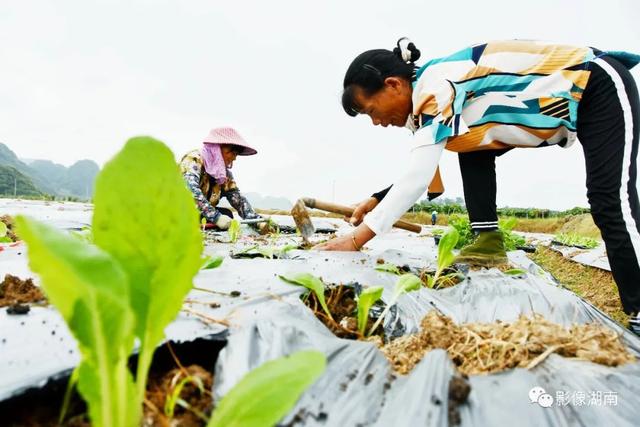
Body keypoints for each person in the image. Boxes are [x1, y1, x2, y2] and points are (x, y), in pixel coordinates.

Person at [315, 38, 640, 334]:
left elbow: (417, 178)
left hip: (594, 85)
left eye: (372, 111)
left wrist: (357, 239)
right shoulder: (427, 108)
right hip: (559, 104)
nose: (376, 122)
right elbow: (428, 175)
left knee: (609, 199)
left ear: (393, 85)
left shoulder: (436, 86)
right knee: (468, 142)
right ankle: (487, 240)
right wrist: (376, 199)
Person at [180, 127, 266, 232]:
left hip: (198, 215)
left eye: (236, 154)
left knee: (227, 215)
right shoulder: (194, 159)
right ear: (217, 149)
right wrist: (216, 217)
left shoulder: (223, 174)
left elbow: (238, 201)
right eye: (233, 153)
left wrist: (259, 222)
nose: (234, 158)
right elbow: (190, 191)